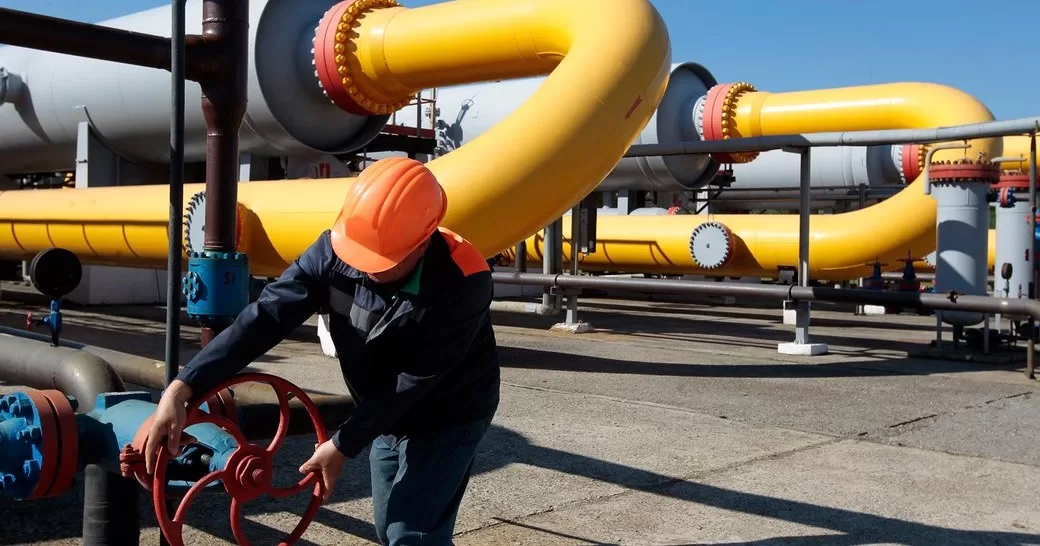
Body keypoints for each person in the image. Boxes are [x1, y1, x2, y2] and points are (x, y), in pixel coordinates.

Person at [143, 157, 501, 545]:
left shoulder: (462, 279)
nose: (365, 268)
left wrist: (341, 444)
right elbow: (264, 318)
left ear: (423, 240)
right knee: (389, 529)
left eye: (381, 261)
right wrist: (185, 384)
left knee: (409, 533)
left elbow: (414, 380)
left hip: (450, 411)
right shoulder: (334, 252)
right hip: (381, 411)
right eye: (360, 253)